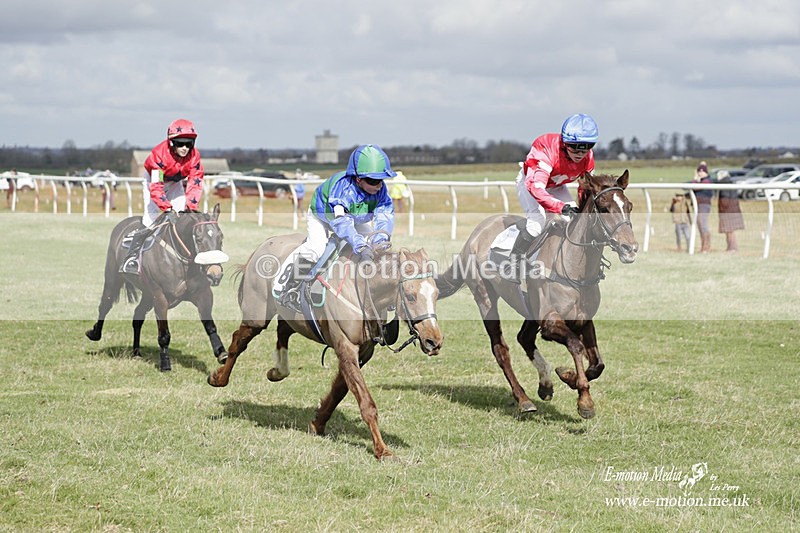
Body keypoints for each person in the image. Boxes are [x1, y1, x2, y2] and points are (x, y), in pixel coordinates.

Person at [274, 144, 396, 303]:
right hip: (323, 217)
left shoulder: (381, 191)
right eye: (373, 181)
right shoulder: (342, 190)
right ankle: (290, 287)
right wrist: (360, 245)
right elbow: (342, 224)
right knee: (316, 248)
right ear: (358, 179)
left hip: (352, 219)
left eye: (381, 180)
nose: (379, 186)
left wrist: (378, 243)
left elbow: (384, 217)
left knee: (376, 248)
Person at [120, 119, 205, 274]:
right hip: (154, 182)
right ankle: (132, 258)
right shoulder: (159, 156)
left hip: (175, 183)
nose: (185, 148)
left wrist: (190, 208)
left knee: (182, 218)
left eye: (189, 144)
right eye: (180, 144)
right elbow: (156, 187)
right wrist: (167, 209)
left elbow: (195, 183)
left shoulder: (195, 157)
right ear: (171, 142)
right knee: (151, 220)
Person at [509, 113, 598, 257]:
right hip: (530, 184)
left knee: (576, 221)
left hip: (556, 186)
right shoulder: (547, 148)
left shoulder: (588, 157)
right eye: (574, 147)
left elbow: (585, 189)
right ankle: (513, 261)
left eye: (587, 147)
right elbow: (536, 188)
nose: (580, 154)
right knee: (537, 223)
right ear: (565, 142)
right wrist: (561, 207)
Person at [716, 169, 745, 252]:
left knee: (729, 231)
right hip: (733, 209)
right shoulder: (730, 183)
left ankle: (732, 248)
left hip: (727, 211)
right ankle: (731, 247)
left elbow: (724, 199)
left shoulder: (724, 185)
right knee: (730, 231)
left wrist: (722, 209)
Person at [692, 161, 713, 253]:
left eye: (702, 171)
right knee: (700, 225)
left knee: (703, 225)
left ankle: (706, 246)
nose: (700, 173)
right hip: (698, 205)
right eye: (699, 171)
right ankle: (703, 246)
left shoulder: (707, 181)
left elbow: (695, 187)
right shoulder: (700, 181)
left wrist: (695, 179)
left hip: (704, 205)